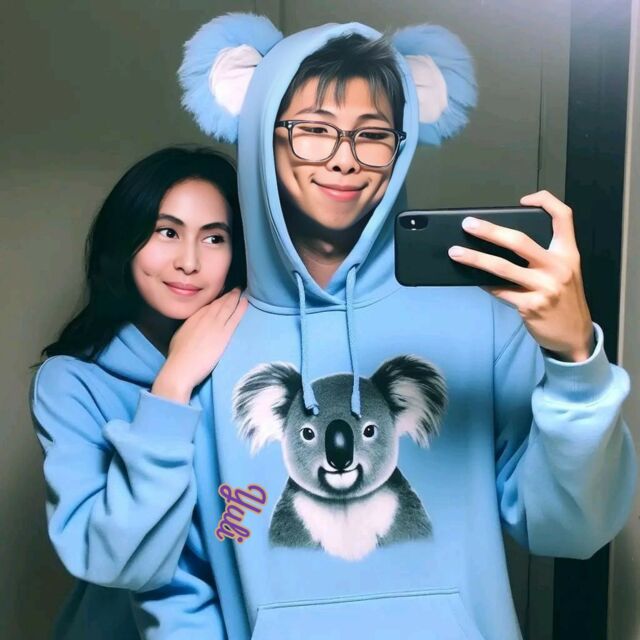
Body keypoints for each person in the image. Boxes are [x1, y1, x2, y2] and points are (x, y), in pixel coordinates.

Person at [131, 14, 636, 640]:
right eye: (314, 131)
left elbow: (573, 530)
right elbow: (177, 577)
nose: (344, 160)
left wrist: (575, 361)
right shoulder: (209, 339)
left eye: (372, 135)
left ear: (402, 145)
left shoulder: (484, 319)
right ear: (263, 134)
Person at [30, 146, 248, 639]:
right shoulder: (71, 382)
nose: (189, 262)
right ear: (125, 239)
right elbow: (116, 560)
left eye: (214, 238)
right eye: (167, 232)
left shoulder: (257, 365)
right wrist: (173, 384)